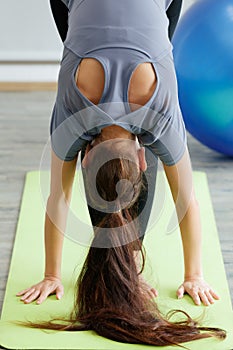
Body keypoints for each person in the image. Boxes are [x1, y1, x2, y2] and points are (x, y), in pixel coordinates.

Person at [16, 0, 226, 346]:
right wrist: (50, 274)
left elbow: (186, 201)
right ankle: (125, 260)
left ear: (143, 159)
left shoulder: (160, 110)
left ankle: (125, 260)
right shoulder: (73, 113)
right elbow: (57, 199)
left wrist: (195, 275)